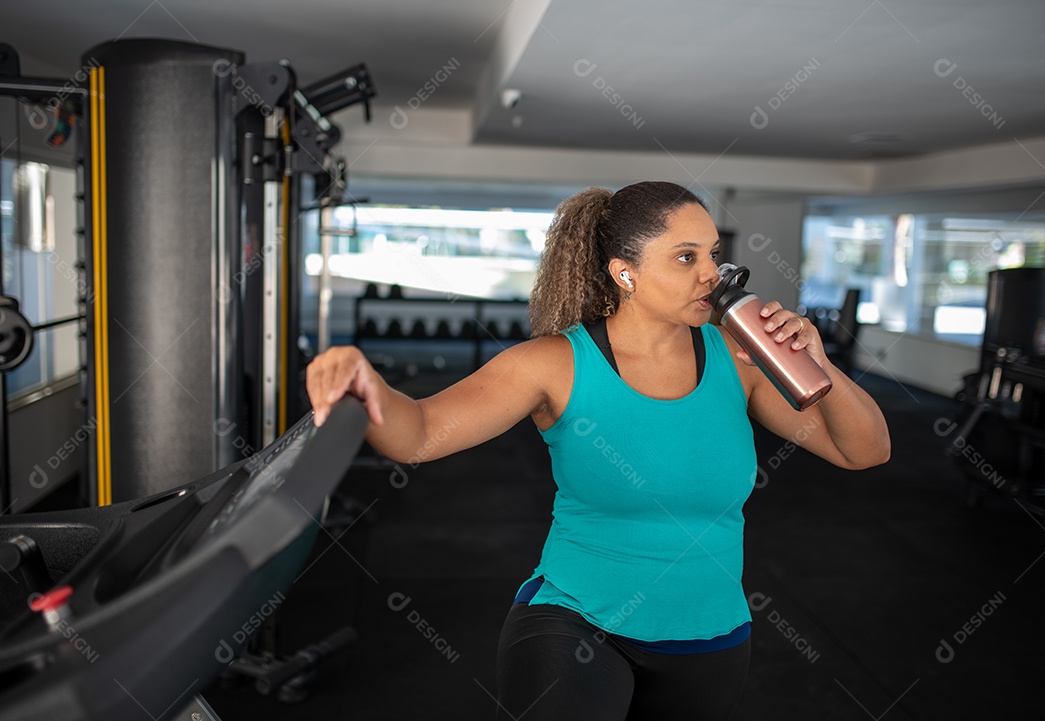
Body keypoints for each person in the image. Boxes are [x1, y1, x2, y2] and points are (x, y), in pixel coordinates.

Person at [305, 181, 890, 720]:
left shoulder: (741, 363)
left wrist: (818, 363)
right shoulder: (554, 364)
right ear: (625, 273)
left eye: (713, 253)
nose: (711, 274)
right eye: (686, 257)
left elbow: (864, 451)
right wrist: (366, 381)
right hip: (576, 622)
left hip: (711, 633)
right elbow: (419, 433)